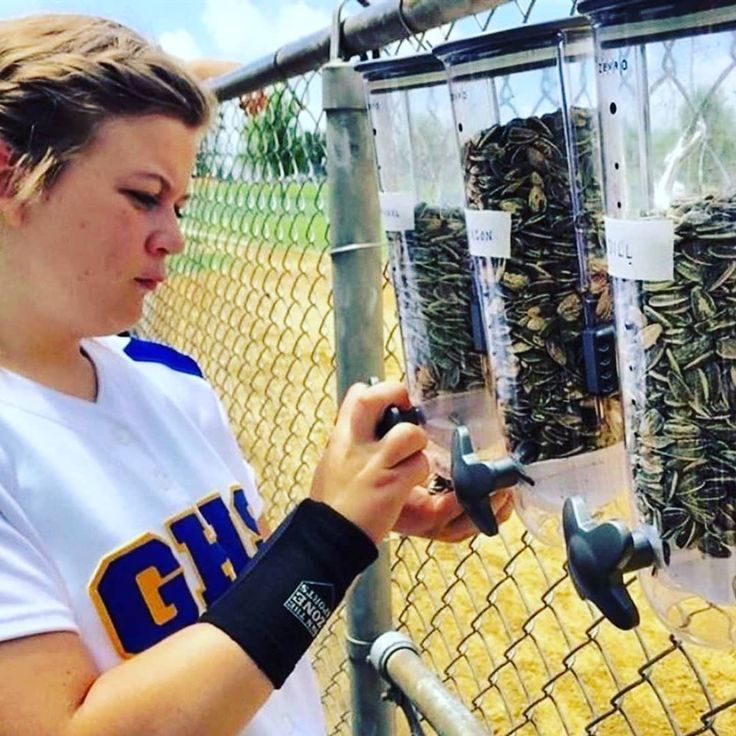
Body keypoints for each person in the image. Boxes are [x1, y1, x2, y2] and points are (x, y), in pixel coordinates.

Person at [0, 13, 513, 736]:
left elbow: (234, 592)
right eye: (144, 196)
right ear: (11, 174)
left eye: (179, 204)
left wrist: (363, 514)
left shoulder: (167, 377)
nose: (173, 235)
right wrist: (329, 536)